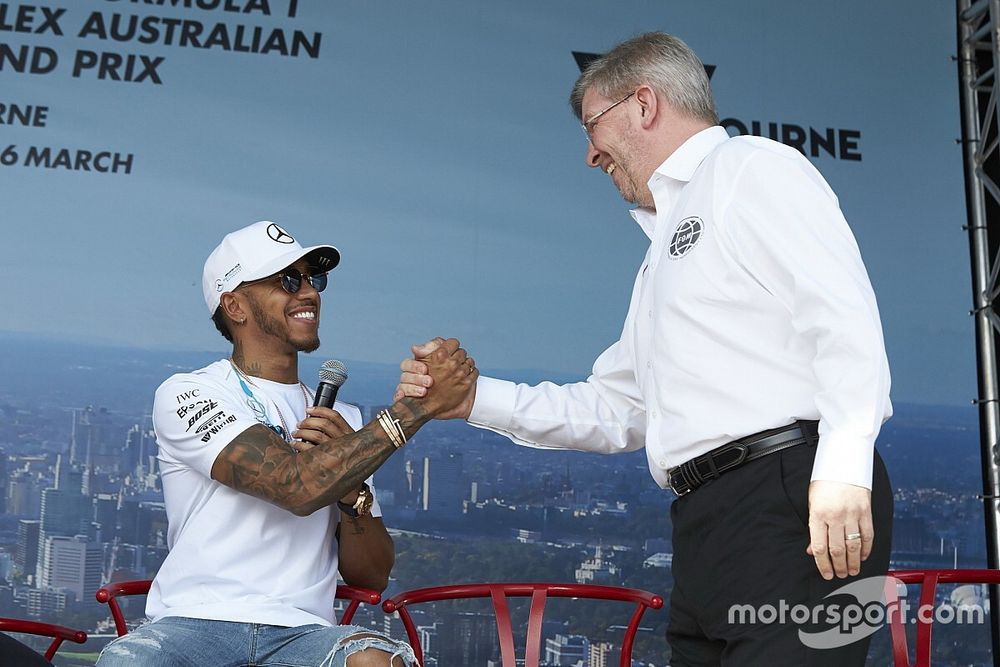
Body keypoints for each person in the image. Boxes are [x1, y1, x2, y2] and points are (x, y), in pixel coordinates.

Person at [396, 33, 893, 666]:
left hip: (791, 496)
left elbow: (843, 318)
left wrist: (844, 468)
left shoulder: (751, 168)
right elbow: (621, 407)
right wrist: (473, 398)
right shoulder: (661, 249)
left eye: (592, 126)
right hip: (707, 519)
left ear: (644, 104)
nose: (589, 155)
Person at [97, 221, 477, 667]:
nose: (308, 293)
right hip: (193, 626)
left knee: (379, 661)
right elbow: (292, 486)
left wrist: (352, 493)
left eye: (313, 279)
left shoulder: (346, 423)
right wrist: (417, 409)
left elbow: (371, 574)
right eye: (286, 281)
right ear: (235, 305)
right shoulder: (190, 394)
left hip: (303, 634)